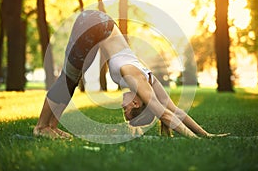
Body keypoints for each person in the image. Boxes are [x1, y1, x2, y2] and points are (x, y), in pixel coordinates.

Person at [33, 10, 229, 139]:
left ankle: (51, 126)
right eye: (125, 109)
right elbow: (165, 114)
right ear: (136, 103)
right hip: (95, 26)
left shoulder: (150, 80)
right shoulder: (135, 78)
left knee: (72, 79)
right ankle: (42, 127)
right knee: (68, 79)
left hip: (100, 24)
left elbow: (175, 111)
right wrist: (194, 140)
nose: (121, 104)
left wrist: (206, 135)